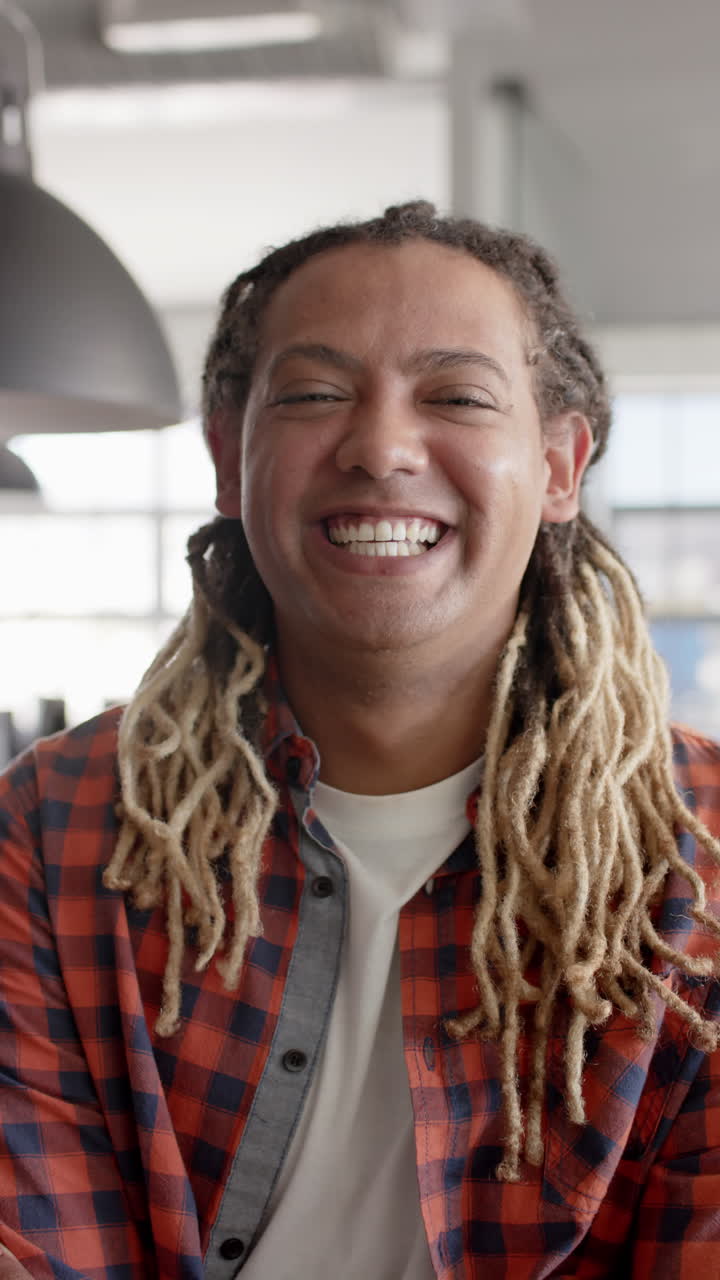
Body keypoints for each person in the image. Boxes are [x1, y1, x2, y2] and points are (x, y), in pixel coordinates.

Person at [1, 200, 719, 1280]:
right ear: (227, 459)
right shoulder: (51, 826)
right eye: (316, 393)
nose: (382, 447)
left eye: (457, 396)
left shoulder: (700, 860)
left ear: (562, 465)